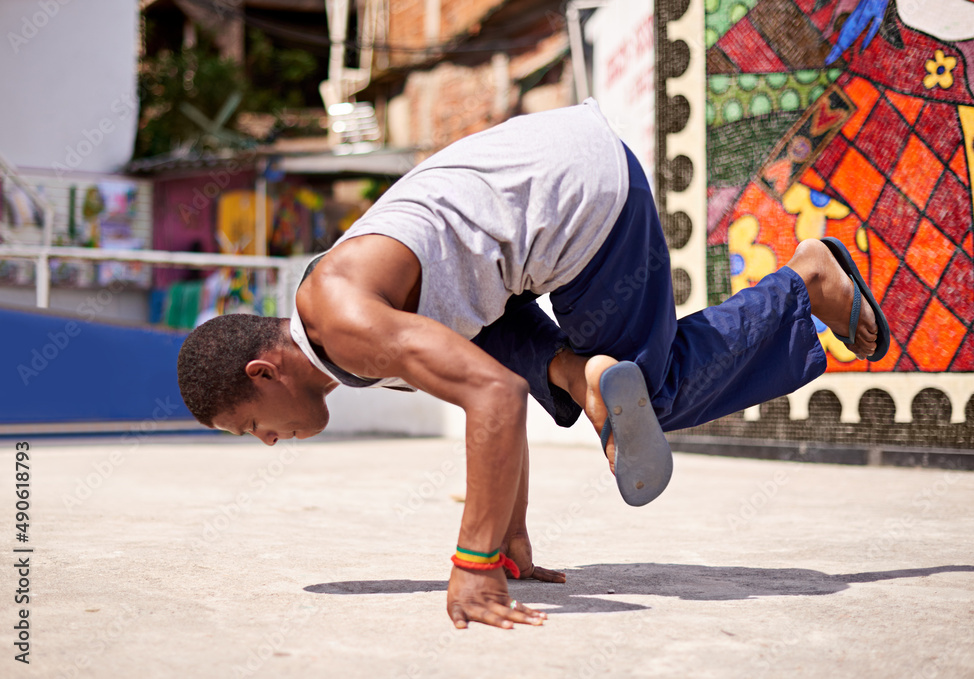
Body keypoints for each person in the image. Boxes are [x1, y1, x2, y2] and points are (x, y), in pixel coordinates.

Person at [177, 100, 889, 630]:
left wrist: (474, 564)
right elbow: (483, 366)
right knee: (494, 345)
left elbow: (492, 398)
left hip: (581, 201)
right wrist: (510, 536)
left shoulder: (344, 321)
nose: (269, 442)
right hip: (553, 188)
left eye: (252, 429)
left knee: (658, 393)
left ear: (263, 375)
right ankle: (581, 373)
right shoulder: (341, 311)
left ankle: (807, 281)